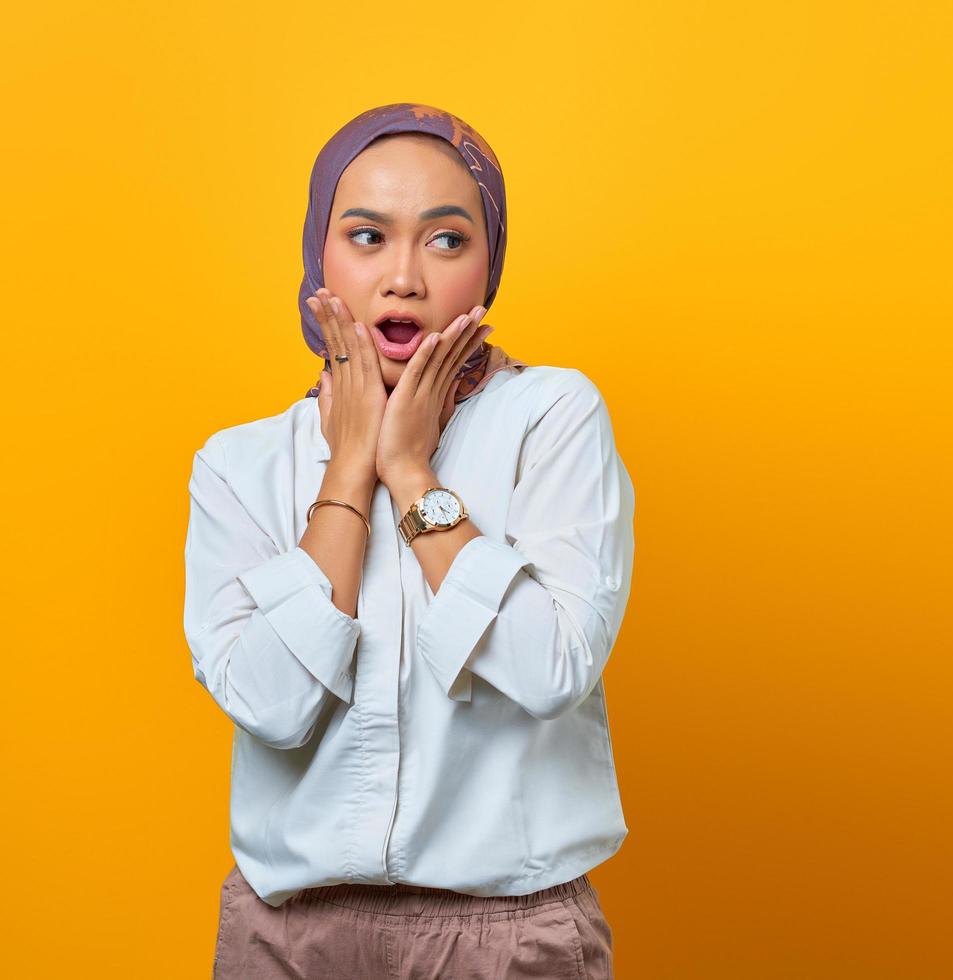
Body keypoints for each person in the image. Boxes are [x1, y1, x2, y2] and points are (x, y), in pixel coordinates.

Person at [183, 103, 633, 979]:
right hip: (285, 939)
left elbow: (550, 670)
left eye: (445, 240)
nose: (402, 280)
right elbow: (271, 708)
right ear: (319, 253)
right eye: (365, 236)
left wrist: (413, 477)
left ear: (488, 265)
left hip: (509, 937)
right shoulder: (237, 463)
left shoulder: (553, 416)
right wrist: (349, 470)